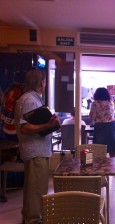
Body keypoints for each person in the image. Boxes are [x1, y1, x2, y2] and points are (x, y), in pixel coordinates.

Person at [14, 70, 60, 224]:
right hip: (36, 151)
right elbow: (25, 127)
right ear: (42, 83)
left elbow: (32, 123)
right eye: (45, 82)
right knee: (36, 190)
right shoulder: (30, 100)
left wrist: (48, 121)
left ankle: (29, 218)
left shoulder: (30, 99)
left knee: (34, 188)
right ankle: (33, 220)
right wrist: (49, 124)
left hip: (36, 150)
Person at [89, 87, 115, 157]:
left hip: (101, 128)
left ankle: (102, 167)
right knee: (113, 151)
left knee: (100, 152)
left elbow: (93, 117)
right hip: (113, 127)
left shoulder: (95, 104)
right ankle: (114, 167)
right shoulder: (111, 102)